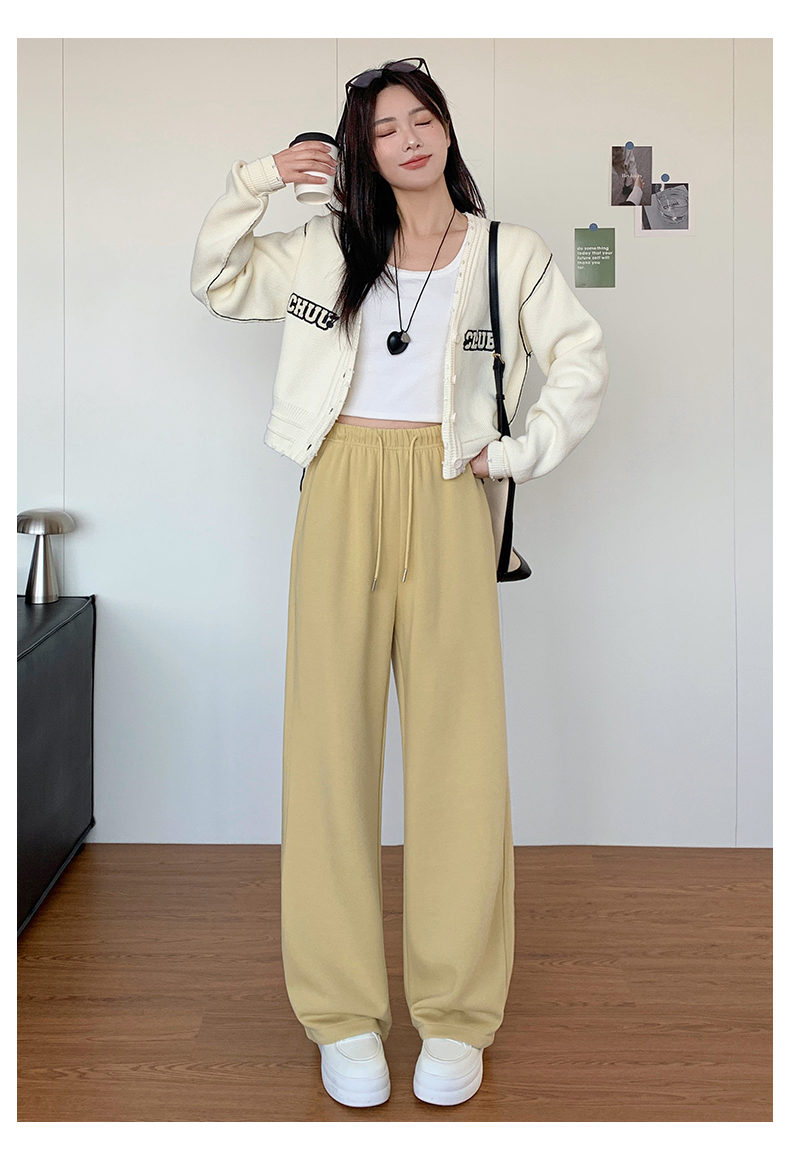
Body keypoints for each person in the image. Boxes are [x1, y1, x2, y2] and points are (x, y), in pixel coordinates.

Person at [190, 57, 609, 1109]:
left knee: (459, 757)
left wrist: (519, 452)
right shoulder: (327, 246)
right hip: (338, 480)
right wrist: (257, 177)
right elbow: (216, 278)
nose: (410, 139)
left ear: (446, 131)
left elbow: (580, 358)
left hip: (448, 485)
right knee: (327, 750)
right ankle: (341, 1015)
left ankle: (456, 1016)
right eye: (385, 129)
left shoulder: (508, 252)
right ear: (362, 151)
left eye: (423, 119)